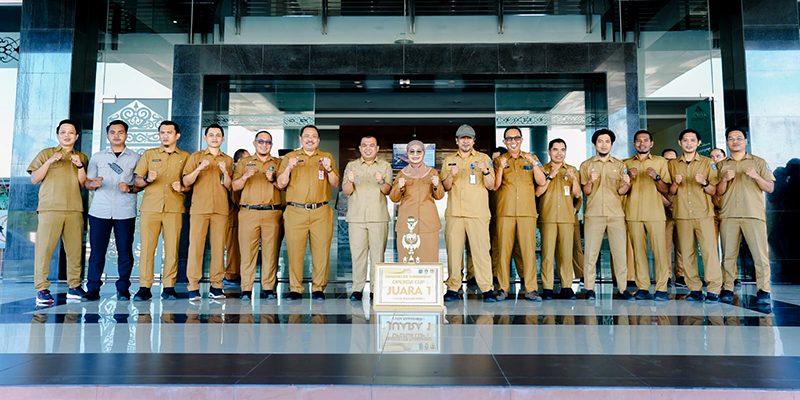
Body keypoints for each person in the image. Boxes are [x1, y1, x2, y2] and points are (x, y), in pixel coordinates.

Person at [28, 119, 89, 305]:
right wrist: (49, 162)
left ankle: (74, 286)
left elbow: (83, 182)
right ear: (57, 135)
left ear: (77, 136)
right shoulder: (46, 153)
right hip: (50, 208)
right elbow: (34, 179)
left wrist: (79, 165)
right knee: (44, 250)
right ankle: (42, 289)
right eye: (63, 132)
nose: (67, 135)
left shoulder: (81, 157)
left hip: (74, 209)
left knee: (74, 250)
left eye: (71, 132)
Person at [277, 125, 340, 301]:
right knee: (295, 251)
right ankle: (296, 288)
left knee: (321, 251)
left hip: (321, 211)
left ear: (318, 140)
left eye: (314, 136)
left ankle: (319, 288)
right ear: (300, 139)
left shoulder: (326, 157)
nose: (310, 139)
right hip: (295, 211)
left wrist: (328, 169)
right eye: (306, 136)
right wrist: (289, 168)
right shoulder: (290, 157)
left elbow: (335, 183)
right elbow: (280, 184)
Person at [82, 120, 141, 301]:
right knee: (97, 252)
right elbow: (87, 183)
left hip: (125, 211)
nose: (117, 135)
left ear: (126, 135)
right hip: (100, 211)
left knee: (125, 251)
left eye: (120, 132)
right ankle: (92, 288)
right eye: (113, 132)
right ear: (107, 135)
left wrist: (130, 188)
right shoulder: (98, 157)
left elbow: (140, 185)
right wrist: (93, 184)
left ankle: (123, 288)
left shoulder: (136, 158)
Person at [716, 127, 775, 304]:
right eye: (731, 138)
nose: (735, 141)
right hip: (729, 215)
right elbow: (717, 192)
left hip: (753, 214)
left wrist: (756, 176)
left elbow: (770, 188)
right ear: (727, 142)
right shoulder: (721, 165)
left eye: (739, 138)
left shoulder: (758, 162)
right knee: (728, 255)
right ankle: (727, 288)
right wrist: (725, 179)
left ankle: (764, 290)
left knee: (760, 255)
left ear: (746, 141)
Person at [132, 120, 189, 301]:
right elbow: (137, 182)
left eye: (169, 132)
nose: (165, 135)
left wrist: (183, 187)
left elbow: (189, 184)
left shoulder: (186, 157)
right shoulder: (149, 155)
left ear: (177, 136)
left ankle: (169, 287)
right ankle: (144, 286)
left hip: (174, 208)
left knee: (172, 249)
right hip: (151, 208)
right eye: (162, 132)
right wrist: (148, 179)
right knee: (148, 249)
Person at [441, 125, 496, 302]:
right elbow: (445, 187)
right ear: (456, 141)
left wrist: (485, 170)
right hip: (455, 213)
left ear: (474, 141)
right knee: (454, 252)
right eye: (462, 138)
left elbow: (491, 185)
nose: (466, 141)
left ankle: (487, 288)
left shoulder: (483, 158)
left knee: (481, 252)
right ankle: (453, 287)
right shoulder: (449, 159)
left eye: (469, 138)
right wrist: (451, 174)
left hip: (478, 213)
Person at [668, 128, 722, 302]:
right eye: (685, 140)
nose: (689, 143)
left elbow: (714, 190)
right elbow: (671, 192)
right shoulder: (673, 164)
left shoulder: (708, 163)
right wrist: (676, 184)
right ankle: (694, 289)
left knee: (709, 252)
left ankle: (714, 288)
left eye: (692, 140)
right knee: (687, 253)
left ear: (698, 143)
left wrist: (704, 182)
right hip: (682, 214)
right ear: (680, 143)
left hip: (704, 214)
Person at [492, 126, 546, 301]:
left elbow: (542, 181)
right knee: (503, 251)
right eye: (509, 138)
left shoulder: (532, 158)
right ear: (504, 142)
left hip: (527, 212)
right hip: (505, 211)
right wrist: (500, 168)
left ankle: (531, 289)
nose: (513, 141)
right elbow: (495, 186)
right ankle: (502, 288)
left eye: (516, 138)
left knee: (528, 251)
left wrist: (534, 164)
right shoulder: (499, 160)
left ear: (521, 140)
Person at [182, 123, 234, 301]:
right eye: (211, 135)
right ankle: (193, 286)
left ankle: (216, 285)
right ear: (205, 137)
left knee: (219, 248)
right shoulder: (195, 157)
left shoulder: (227, 159)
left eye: (218, 135)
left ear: (222, 138)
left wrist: (225, 172)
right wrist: (199, 168)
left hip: (220, 209)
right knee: (196, 247)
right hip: (199, 208)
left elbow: (229, 186)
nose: (214, 137)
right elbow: (187, 181)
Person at [579, 128, 632, 300]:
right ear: (594, 144)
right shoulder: (586, 165)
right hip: (594, 215)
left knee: (619, 253)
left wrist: (627, 184)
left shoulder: (620, 165)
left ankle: (623, 288)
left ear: (611, 144)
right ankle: (589, 288)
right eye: (600, 141)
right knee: (591, 254)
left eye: (607, 141)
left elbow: (622, 191)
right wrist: (590, 181)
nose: (603, 144)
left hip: (616, 214)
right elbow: (586, 191)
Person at [232, 131, 283, 301]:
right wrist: (246, 176)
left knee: (271, 252)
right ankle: (246, 288)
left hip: (272, 212)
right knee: (247, 252)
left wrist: (273, 179)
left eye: (268, 142)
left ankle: (268, 288)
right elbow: (234, 186)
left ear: (271, 145)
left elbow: (284, 186)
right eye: (261, 141)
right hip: (248, 212)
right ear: (254, 143)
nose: (264, 144)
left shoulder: (278, 163)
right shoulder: (245, 163)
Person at [623, 130, 672, 301]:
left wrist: (656, 177)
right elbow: (621, 190)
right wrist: (629, 177)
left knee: (660, 252)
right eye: (638, 141)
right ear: (634, 143)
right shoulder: (626, 163)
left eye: (645, 140)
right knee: (638, 252)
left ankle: (662, 288)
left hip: (656, 213)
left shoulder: (660, 162)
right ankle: (642, 287)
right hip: (633, 213)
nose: (642, 143)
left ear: (651, 143)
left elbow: (667, 189)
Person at [342, 136, 392, 301]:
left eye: (372, 145)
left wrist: (381, 181)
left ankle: (376, 289)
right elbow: (347, 191)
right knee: (358, 255)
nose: (368, 148)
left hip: (378, 217)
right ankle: (357, 289)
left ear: (377, 148)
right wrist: (349, 181)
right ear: (360, 148)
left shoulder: (385, 166)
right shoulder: (352, 165)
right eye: (365, 145)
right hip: (356, 218)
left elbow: (387, 191)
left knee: (378, 256)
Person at [536, 138, 582, 300]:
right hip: (547, 217)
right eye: (555, 149)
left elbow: (577, 195)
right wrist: (551, 176)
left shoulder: (572, 170)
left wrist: (574, 179)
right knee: (547, 254)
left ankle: (566, 286)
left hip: (566, 218)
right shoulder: (542, 169)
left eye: (562, 150)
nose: (559, 153)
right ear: (549, 152)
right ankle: (547, 288)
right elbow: (537, 193)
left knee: (566, 254)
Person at [389, 140, 445, 263]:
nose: (415, 154)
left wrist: (436, 185)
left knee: (429, 256)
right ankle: (409, 282)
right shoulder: (402, 174)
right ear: (407, 154)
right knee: (407, 257)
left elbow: (440, 196)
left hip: (428, 221)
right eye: (412, 151)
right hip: (408, 222)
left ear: (424, 153)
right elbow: (394, 198)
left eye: (418, 151)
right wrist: (399, 187)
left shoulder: (432, 172)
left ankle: (429, 282)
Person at [223, 148, 251, 287]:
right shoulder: (232, 174)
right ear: (238, 161)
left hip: (245, 215)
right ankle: (231, 275)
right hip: (232, 214)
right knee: (233, 246)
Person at [661, 148, 687, 287]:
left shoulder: (680, 172)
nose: (669, 161)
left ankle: (681, 274)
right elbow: (657, 191)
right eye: (666, 159)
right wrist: (669, 204)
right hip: (665, 212)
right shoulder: (660, 173)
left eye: (672, 159)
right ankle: (666, 275)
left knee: (682, 244)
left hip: (682, 212)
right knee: (665, 246)